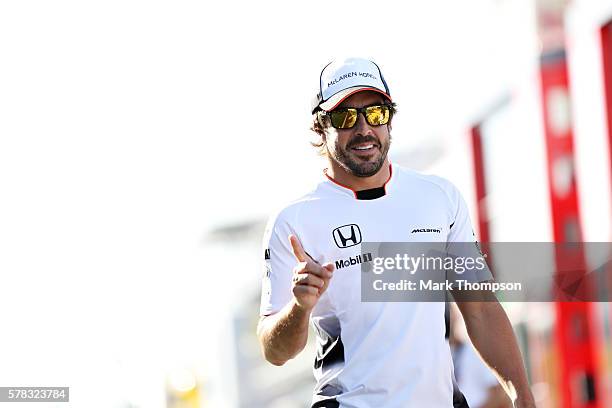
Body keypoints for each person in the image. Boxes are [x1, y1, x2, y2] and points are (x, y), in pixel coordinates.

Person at [256, 57, 535, 408]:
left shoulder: (438, 197)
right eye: (345, 118)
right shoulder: (293, 220)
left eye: (375, 114)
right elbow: (274, 351)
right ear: (320, 127)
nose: (363, 129)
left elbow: (479, 309)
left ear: (389, 119)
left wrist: (523, 395)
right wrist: (299, 307)